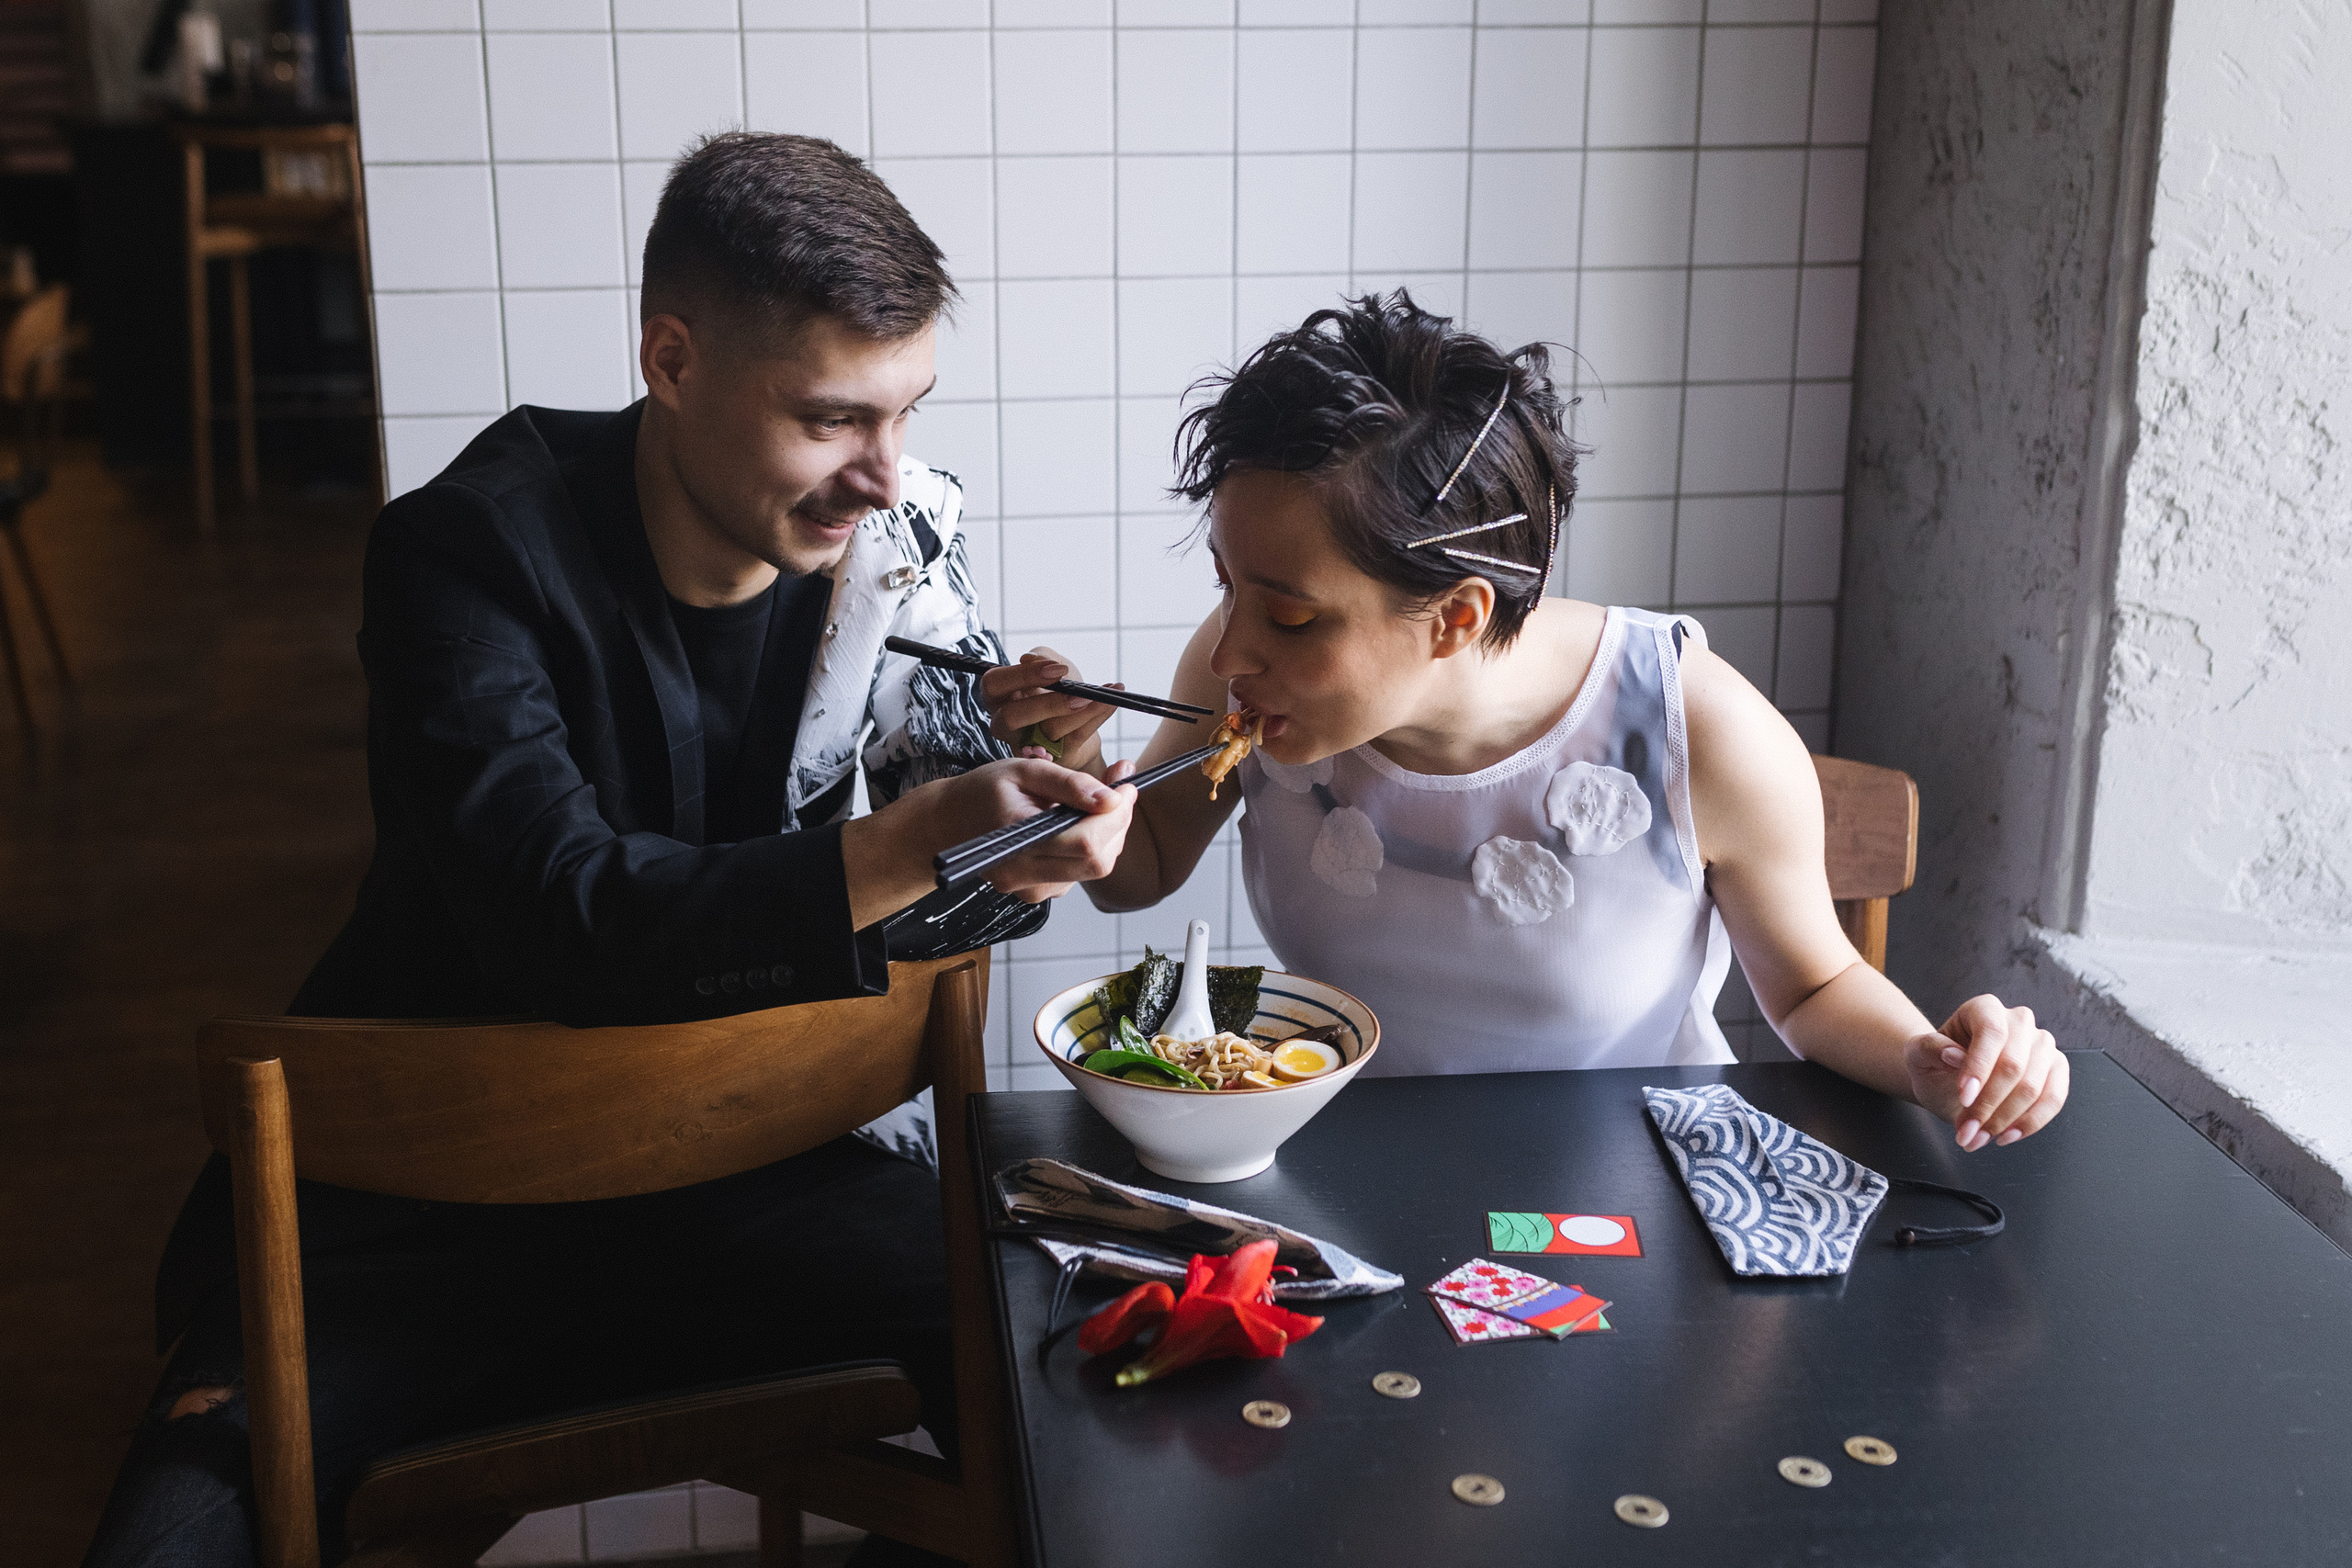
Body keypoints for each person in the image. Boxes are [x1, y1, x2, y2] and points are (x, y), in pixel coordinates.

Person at [84, 133, 1135, 1568]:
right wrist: (928, 835)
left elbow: (948, 916)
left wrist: (1034, 817)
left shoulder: (899, 537)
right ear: (673, 360)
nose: (885, 477)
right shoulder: (462, 555)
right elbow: (563, 920)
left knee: (1104, 1394)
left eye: (909, 414)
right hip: (434, 1203)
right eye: (832, 420)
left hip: (748, 1162)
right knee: (170, 1534)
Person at [1073, 293, 2069, 1149]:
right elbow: (1142, 866)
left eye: (1289, 614)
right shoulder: (1251, 680)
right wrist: (1065, 756)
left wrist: (1933, 1061)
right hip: (1351, 1184)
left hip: (1631, 1215)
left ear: (1457, 617)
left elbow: (1810, 991)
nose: (1227, 651)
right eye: (1226, 587)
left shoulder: (1692, 727)